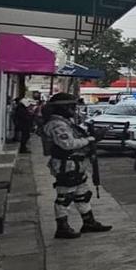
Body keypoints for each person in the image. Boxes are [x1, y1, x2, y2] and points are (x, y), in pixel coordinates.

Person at [41, 93, 112, 239]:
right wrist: (91, 139)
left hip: (75, 164)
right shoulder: (57, 124)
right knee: (65, 196)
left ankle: (88, 223)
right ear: (63, 107)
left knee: (82, 194)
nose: (73, 109)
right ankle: (62, 227)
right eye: (71, 106)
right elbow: (68, 144)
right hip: (65, 165)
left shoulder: (66, 122)